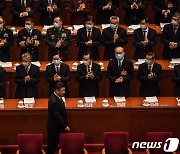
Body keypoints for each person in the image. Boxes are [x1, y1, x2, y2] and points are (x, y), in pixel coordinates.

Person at [46, 82, 70, 154]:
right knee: (51, 147)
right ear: (56, 90)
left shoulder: (57, 97)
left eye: (64, 90)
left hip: (57, 127)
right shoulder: (53, 101)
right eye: (62, 91)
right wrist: (65, 126)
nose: (64, 92)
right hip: (54, 129)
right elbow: (57, 116)